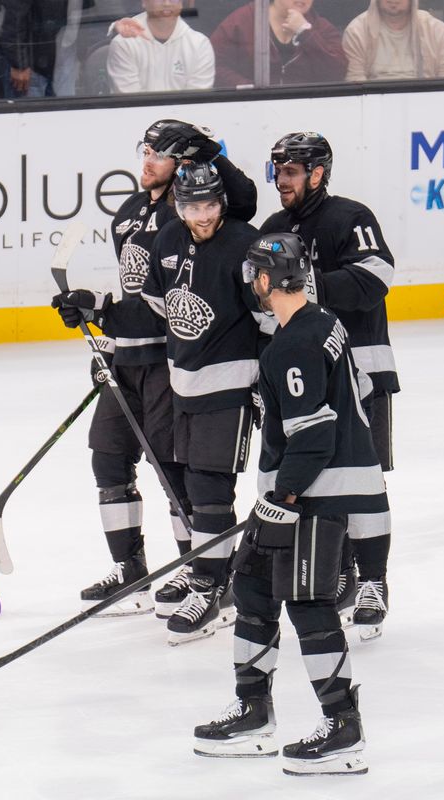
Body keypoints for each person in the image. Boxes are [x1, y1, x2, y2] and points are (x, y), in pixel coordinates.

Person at [50, 120, 258, 621]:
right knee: (108, 459)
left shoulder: (188, 213)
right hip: (127, 357)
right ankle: (130, 571)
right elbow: (137, 297)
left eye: (159, 154)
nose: (147, 161)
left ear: (183, 164)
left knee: (176, 470)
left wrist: (210, 152)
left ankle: (197, 570)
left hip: (170, 361)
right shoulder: (128, 212)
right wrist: (105, 336)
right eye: (144, 150)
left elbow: (244, 203)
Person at [193, 232, 379, 776]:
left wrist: (284, 498)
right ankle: (252, 710)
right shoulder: (322, 321)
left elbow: (315, 436)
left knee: (308, 603)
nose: (250, 282)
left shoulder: (292, 344)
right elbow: (360, 391)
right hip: (302, 488)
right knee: (252, 587)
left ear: (266, 279)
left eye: (254, 274)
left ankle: (342, 726)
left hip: (314, 492)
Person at [259, 131, 394, 640]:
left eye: (291, 171)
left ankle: (374, 581)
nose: (282, 180)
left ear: (318, 173)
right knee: (317, 480)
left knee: (363, 481)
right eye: (278, 171)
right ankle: (341, 570)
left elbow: (375, 279)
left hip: (361, 369)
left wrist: (299, 283)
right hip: (304, 379)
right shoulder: (273, 228)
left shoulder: (350, 217)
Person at [140, 161, 269, 646]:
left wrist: (265, 380)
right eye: (193, 207)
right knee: (186, 486)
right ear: (179, 206)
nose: (203, 215)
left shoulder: (245, 243)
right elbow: (159, 306)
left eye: (211, 205)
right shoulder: (168, 239)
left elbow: (269, 317)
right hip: (182, 384)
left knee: (210, 489)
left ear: (223, 202)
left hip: (231, 384)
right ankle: (208, 573)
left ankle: (211, 590)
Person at [210, 0, 345, 89]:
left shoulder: (322, 28)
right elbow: (215, 66)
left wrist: (305, 32)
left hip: (305, 109)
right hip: (250, 108)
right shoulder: (241, 21)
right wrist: (250, 89)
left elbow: (337, 74)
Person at [106, 0, 213, 93]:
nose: (167, 3)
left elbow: (197, 101)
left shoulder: (200, 44)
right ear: (144, 2)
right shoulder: (124, 43)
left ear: (181, 3)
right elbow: (129, 100)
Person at [342, 0, 444, 81]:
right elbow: (355, 82)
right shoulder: (357, 31)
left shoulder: (435, 29)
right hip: (374, 105)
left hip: (427, 102)